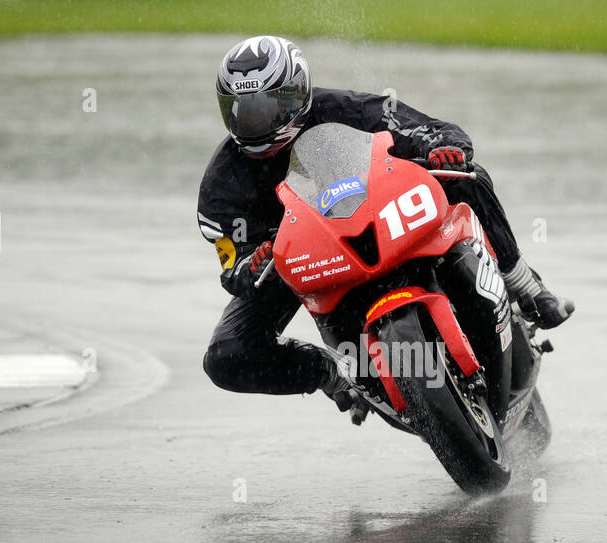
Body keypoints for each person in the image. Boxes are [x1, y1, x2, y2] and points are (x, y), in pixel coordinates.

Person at [197, 35, 573, 409]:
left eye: (263, 108)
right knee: (225, 355)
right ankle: (331, 374)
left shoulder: (345, 106)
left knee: (468, 175)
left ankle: (524, 283)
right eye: (241, 111)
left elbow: (427, 129)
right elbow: (233, 263)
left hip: (374, 217)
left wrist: (443, 148)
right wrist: (253, 263)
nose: (252, 122)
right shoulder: (219, 184)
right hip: (300, 260)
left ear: (296, 94)